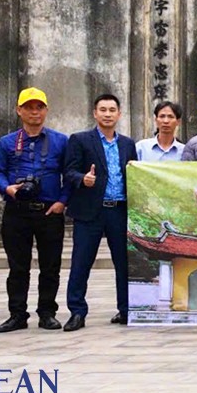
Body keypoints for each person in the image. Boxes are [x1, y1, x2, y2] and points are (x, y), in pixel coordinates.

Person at [0, 87, 69, 332]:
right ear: (19, 110)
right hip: (17, 210)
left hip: (49, 210)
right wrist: (7, 188)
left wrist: (62, 201)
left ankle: (47, 312)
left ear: (46, 110)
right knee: (18, 267)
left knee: (50, 266)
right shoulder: (7, 142)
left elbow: (70, 174)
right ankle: (17, 314)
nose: (34, 112)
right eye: (28, 107)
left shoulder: (60, 141)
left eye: (39, 107)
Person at [63, 92, 137, 330]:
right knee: (81, 262)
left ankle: (125, 309)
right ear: (95, 113)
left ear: (119, 114)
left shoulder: (128, 144)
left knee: (124, 263)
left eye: (112, 110)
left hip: (119, 210)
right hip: (90, 211)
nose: (107, 114)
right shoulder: (80, 140)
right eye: (103, 110)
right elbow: (69, 171)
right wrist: (82, 179)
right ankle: (77, 311)